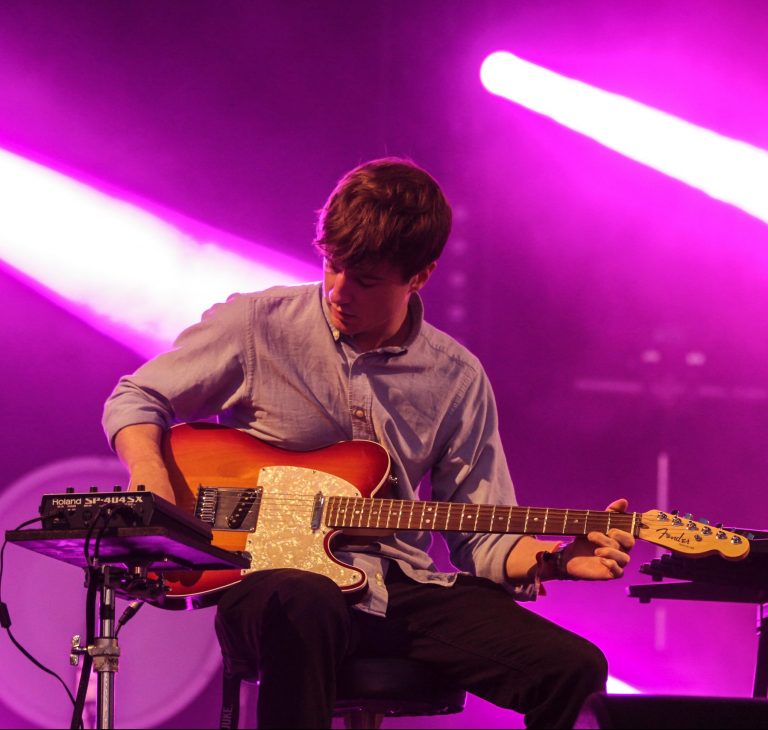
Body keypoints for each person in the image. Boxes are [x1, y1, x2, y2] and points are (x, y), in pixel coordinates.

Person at [102, 157, 634, 729]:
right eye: (332, 265)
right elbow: (137, 399)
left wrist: (555, 559)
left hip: (396, 585)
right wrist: (154, 489)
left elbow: (480, 530)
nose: (338, 289)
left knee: (573, 667)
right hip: (271, 583)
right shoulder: (258, 324)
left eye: (366, 279)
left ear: (420, 276)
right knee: (303, 601)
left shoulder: (456, 376)